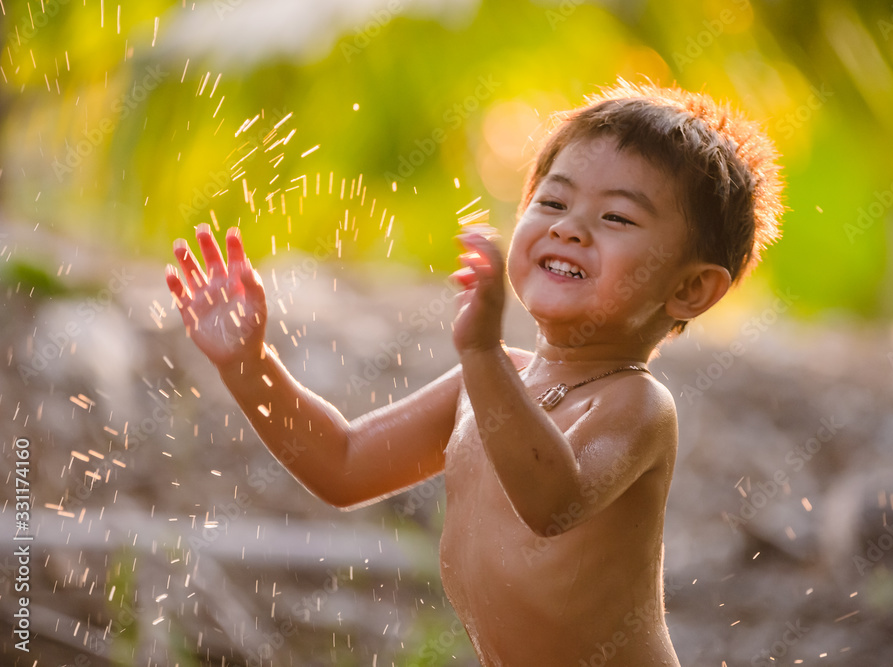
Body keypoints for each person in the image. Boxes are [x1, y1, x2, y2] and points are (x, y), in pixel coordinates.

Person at [165, 80, 784, 666]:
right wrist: (249, 365)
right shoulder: (485, 382)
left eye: (617, 218)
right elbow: (343, 464)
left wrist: (483, 354)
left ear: (691, 289)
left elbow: (552, 502)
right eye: (553, 201)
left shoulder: (637, 407)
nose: (570, 227)